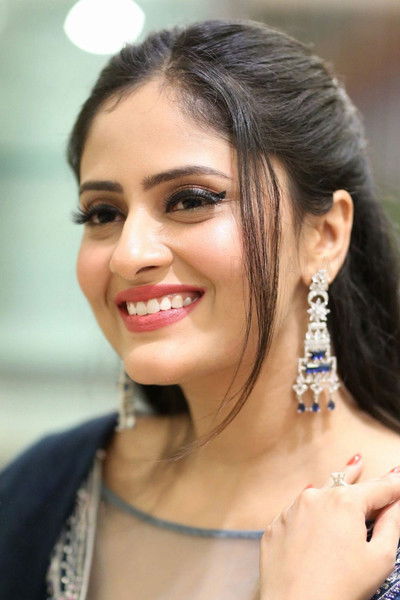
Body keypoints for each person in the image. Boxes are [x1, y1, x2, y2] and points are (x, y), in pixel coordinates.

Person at [1, 17, 400, 600]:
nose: (129, 254)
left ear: (324, 235)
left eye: (190, 200)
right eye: (103, 213)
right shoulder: (44, 490)